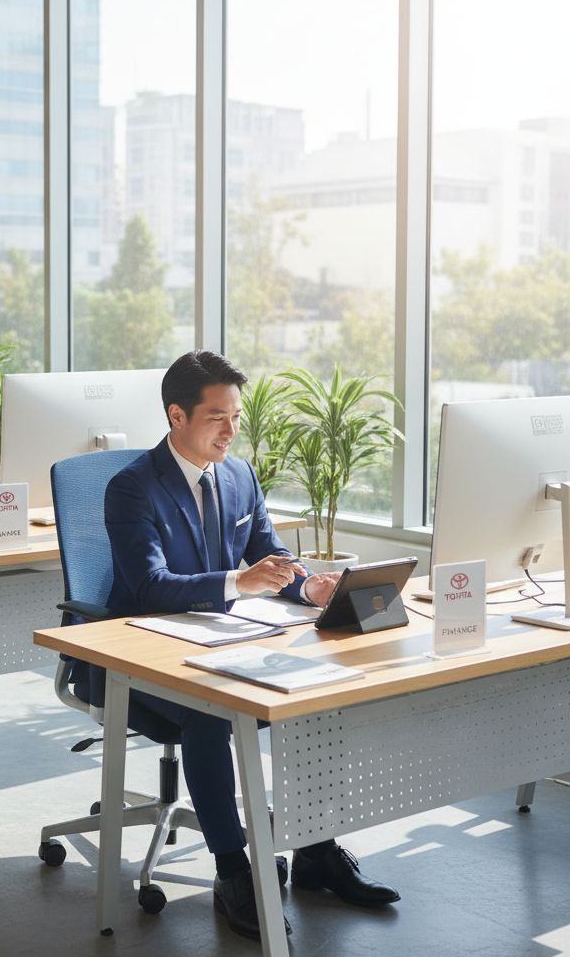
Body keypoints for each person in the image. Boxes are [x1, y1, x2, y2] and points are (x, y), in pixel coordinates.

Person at [104, 349, 399, 940]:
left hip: (224, 638)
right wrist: (240, 582)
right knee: (212, 716)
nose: (232, 430)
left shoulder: (239, 475)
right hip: (139, 656)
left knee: (319, 693)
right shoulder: (132, 487)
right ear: (177, 415)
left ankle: (315, 851)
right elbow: (148, 586)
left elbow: (271, 559)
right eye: (218, 417)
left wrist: (309, 588)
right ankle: (233, 869)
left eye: (237, 416)